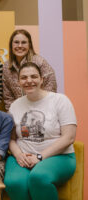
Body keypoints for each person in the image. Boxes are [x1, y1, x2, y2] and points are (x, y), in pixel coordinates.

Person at [4, 62, 77, 200]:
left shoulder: (60, 100)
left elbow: (69, 138)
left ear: (42, 79)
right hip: (23, 157)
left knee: (39, 178)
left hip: (59, 157)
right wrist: (19, 155)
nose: (29, 81)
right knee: (13, 183)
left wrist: (39, 157)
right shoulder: (15, 105)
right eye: (24, 77)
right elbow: (11, 139)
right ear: (19, 82)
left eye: (33, 76)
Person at [2, 29, 57, 111]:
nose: (20, 46)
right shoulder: (7, 67)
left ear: (29, 45)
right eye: (16, 42)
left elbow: (51, 88)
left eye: (24, 42)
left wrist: (40, 110)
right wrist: (13, 116)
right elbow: (8, 97)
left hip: (42, 111)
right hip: (19, 114)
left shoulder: (40, 62)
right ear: (11, 45)